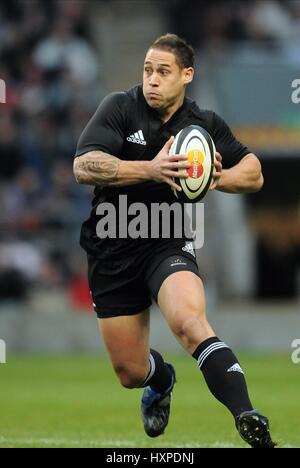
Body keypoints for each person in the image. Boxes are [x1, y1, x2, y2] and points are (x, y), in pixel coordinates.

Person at [73, 34, 275, 448]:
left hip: (166, 238)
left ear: (187, 75)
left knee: (189, 322)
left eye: (163, 72)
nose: (152, 80)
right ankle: (161, 378)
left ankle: (247, 416)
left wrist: (215, 177)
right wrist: (152, 169)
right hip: (112, 239)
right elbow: (83, 166)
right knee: (130, 373)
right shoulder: (119, 108)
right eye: (148, 70)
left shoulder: (203, 125)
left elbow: (253, 173)